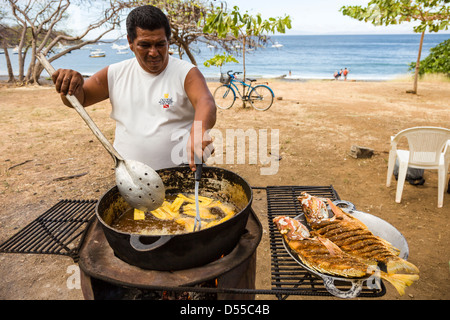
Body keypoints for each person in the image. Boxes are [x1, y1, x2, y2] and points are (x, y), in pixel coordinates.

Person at [50, 5, 216, 173]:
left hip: (182, 171)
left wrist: (199, 131)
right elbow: (80, 98)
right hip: (133, 179)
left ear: (168, 40)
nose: (153, 52)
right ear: (130, 42)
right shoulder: (115, 73)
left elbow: (205, 102)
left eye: (160, 44)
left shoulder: (186, 73)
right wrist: (71, 84)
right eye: (144, 45)